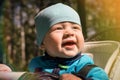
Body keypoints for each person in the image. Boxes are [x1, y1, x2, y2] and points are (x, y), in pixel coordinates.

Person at [28, 3, 109, 80]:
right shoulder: (36, 66)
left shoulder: (86, 68)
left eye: (75, 28)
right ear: (42, 43)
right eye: (59, 28)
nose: (70, 33)